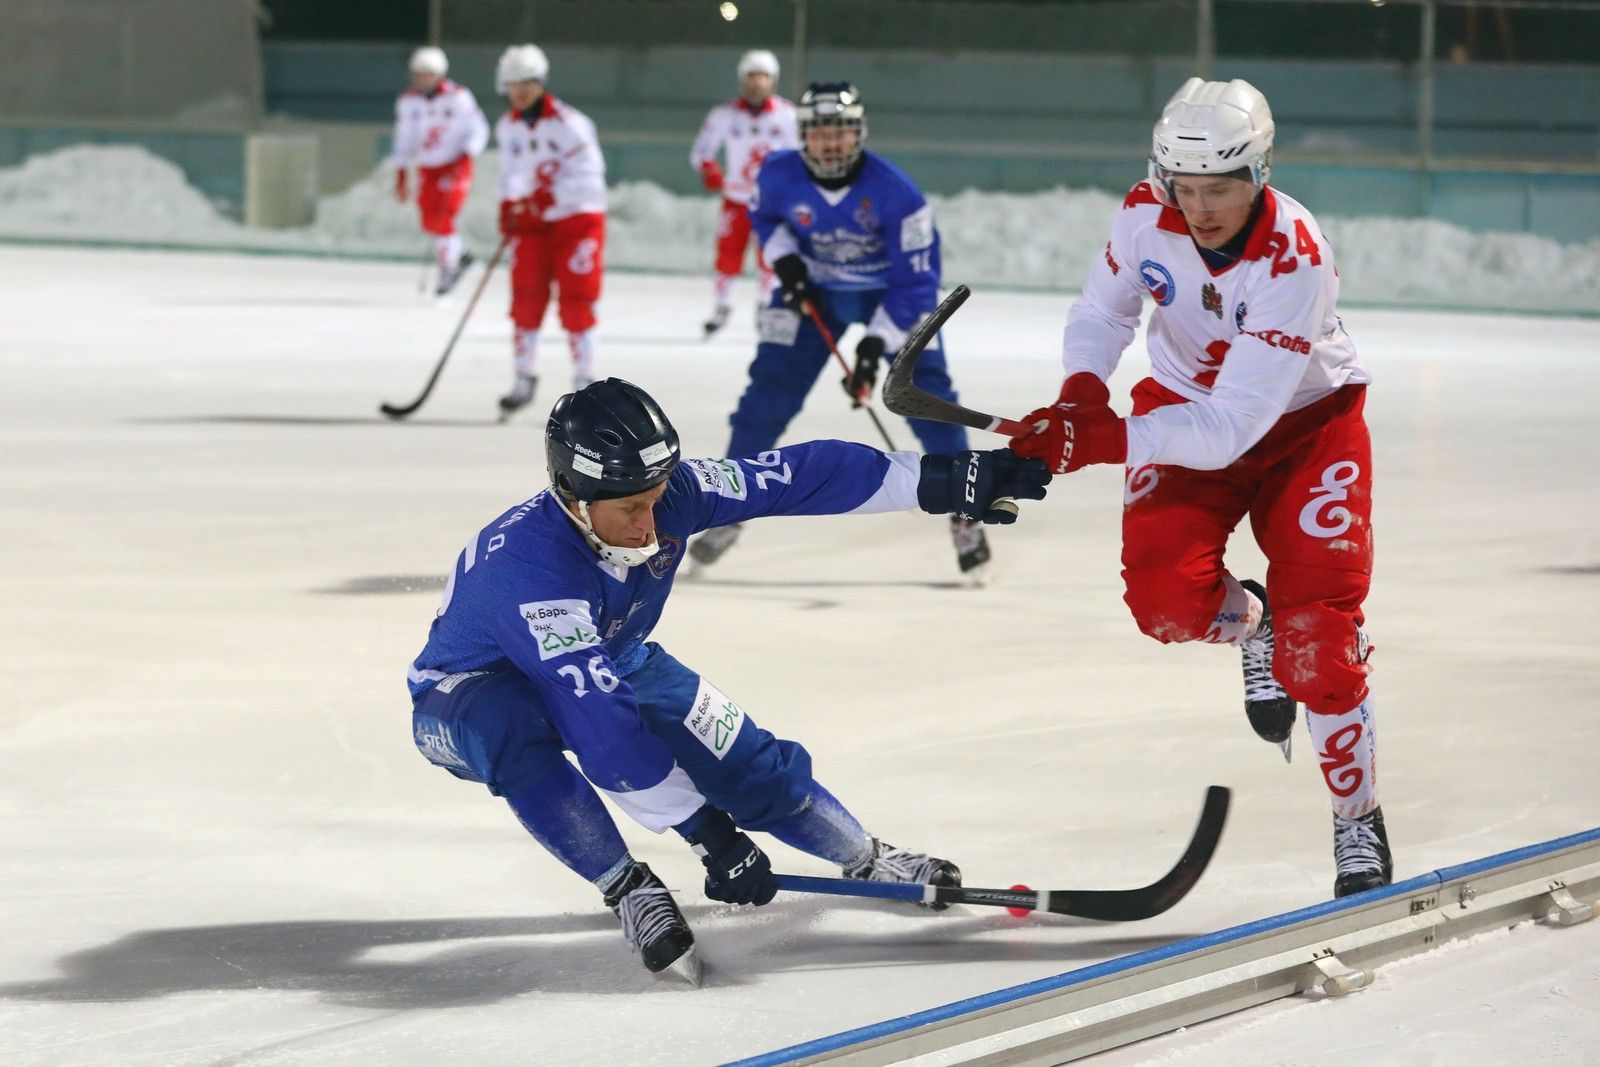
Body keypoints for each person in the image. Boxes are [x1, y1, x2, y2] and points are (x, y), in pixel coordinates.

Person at [407, 378, 1049, 982]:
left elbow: (801, 476)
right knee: (514, 729)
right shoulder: (529, 572)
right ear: (575, 498)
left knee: (741, 755)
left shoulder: (672, 492)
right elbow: (598, 723)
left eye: (656, 502)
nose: (650, 527)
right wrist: (707, 834)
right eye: (631, 508)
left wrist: (945, 478)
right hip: (465, 691)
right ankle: (629, 887)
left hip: (614, 653)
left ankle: (868, 858)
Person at [1009, 78, 1389, 898]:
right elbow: (1103, 311)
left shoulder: (1298, 256)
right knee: (1165, 605)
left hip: (1306, 428)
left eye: (1221, 187)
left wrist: (1105, 440)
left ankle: (1356, 819)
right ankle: (1254, 625)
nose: (1201, 207)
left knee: (1319, 642)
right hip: (1182, 409)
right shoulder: (1145, 209)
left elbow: (1234, 428)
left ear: (1260, 174)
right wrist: (1082, 391)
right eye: (1186, 188)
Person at [690, 83, 989, 579]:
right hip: (814, 295)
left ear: (859, 134)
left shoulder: (899, 193)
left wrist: (875, 346)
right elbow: (764, 219)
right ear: (803, 135)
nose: (830, 144)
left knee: (931, 396)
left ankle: (964, 507)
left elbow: (916, 282)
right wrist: (786, 265)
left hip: (888, 295)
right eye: (819, 133)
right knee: (764, 398)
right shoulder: (778, 174)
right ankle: (732, 505)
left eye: (841, 133)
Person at [492, 44, 608, 420]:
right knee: (525, 298)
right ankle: (523, 377)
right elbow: (510, 175)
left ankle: (585, 383)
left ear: (540, 83)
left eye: (527, 83)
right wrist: (509, 205)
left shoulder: (570, 123)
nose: (520, 91)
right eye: (513, 84)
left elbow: (591, 178)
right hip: (533, 224)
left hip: (576, 221)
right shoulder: (509, 126)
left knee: (577, 300)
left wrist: (550, 197)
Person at [688, 49, 798, 338]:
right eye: (751, 76)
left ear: (772, 80)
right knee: (727, 254)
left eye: (763, 76)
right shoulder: (724, 115)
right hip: (736, 199)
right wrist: (709, 168)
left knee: (771, 256)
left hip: (771, 202)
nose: (757, 83)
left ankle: (765, 305)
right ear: (743, 79)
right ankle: (722, 305)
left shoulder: (788, 116)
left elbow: (800, 156)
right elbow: (701, 151)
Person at [390, 46, 490, 296]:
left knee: (445, 214)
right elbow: (403, 138)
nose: (424, 80)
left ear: (439, 74)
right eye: (419, 74)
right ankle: (463, 256)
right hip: (428, 166)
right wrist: (401, 172)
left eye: (429, 74)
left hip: (454, 165)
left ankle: (448, 268)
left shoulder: (458, 97)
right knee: (429, 220)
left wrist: (467, 155)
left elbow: (479, 128)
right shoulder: (408, 101)